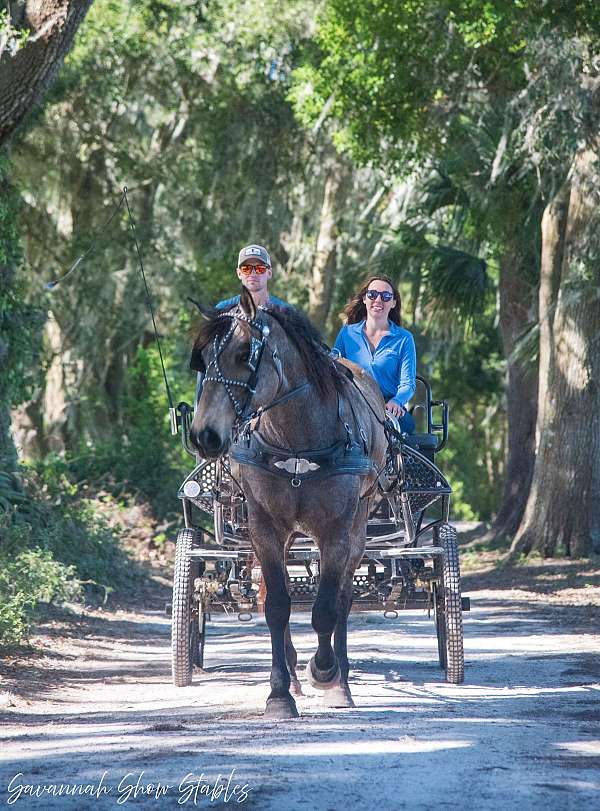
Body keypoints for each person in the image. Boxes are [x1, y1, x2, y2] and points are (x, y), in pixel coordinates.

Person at [195, 244, 288, 408]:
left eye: (259, 268)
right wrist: (199, 407)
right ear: (239, 273)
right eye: (246, 268)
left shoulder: (285, 312)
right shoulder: (222, 310)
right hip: (232, 402)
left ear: (269, 272)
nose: (252, 273)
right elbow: (205, 364)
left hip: (279, 405)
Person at [334, 274, 416, 434]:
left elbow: (408, 383)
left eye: (386, 296)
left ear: (393, 303)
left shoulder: (404, 339)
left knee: (407, 425)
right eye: (372, 294)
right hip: (352, 402)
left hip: (387, 407)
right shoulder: (347, 334)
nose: (378, 300)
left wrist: (397, 401)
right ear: (365, 299)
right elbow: (333, 367)